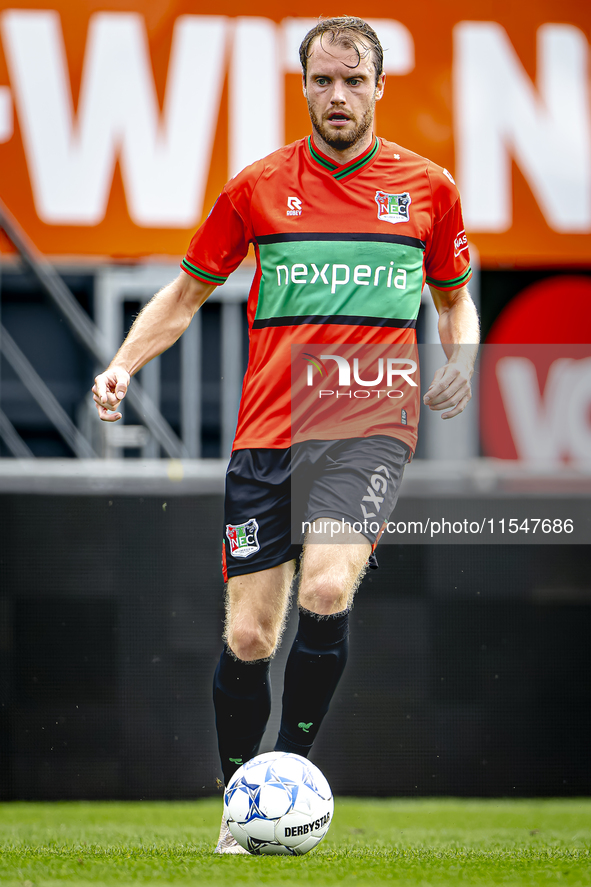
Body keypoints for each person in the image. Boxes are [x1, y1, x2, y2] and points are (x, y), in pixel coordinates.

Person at [93, 16, 479, 853]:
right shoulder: (258, 187)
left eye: (353, 79)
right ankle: (241, 807)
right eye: (321, 81)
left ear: (380, 85)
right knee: (248, 637)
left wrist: (461, 356)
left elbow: (453, 296)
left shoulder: (427, 187)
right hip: (267, 434)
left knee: (331, 586)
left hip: (368, 424)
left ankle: (284, 784)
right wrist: (124, 362)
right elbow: (186, 294)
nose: (337, 95)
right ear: (303, 86)